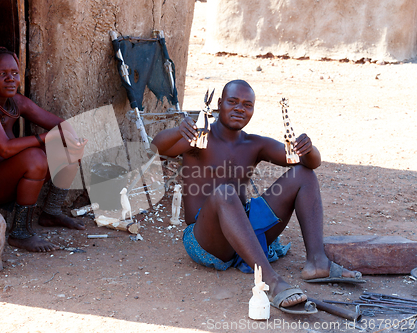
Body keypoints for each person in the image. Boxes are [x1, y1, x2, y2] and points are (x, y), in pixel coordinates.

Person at [151, 79, 364, 313]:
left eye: (247, 104)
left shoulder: (254, 144)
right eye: (232, 102)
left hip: (244, 230)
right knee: (224, 192)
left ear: (253, 110)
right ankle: (271, 282)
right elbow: (157, 148)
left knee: (304, 175)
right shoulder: (199, 139)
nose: (240, 108)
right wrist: (178, 130)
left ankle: (317, 262)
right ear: (219, 104)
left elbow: (309, 162)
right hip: (207, 240)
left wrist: (309, 148)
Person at [0, 47, 87, 252]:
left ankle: (51, 212)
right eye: (2, 74)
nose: (10, 79)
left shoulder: (16, 102)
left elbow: (62, 125)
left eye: (15, 73)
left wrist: (71, 139)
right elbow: (5, 149)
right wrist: (44, 138)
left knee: (68, 147)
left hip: (12, 176)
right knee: (35, 157)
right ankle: (20, 233)